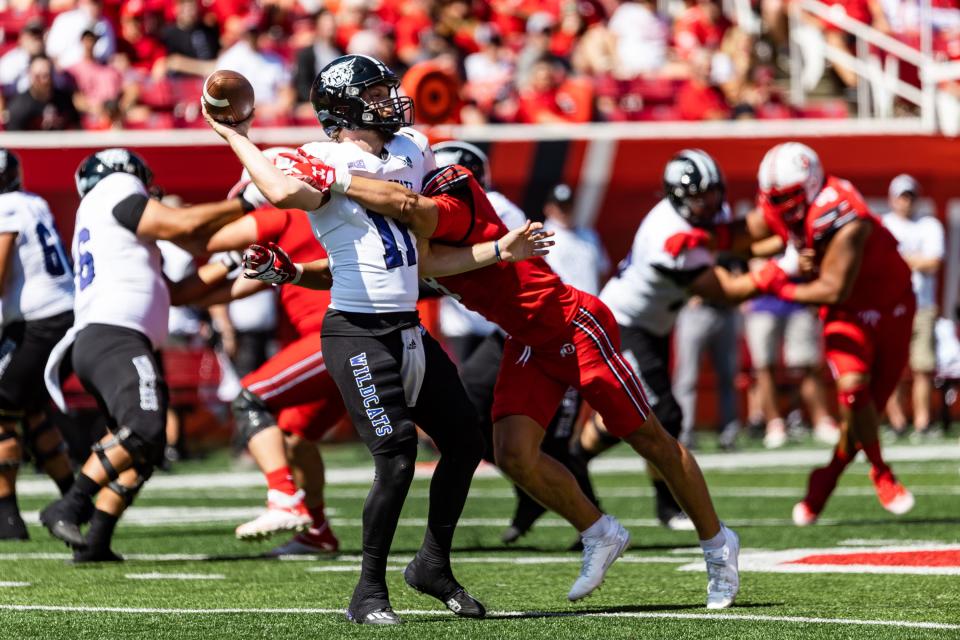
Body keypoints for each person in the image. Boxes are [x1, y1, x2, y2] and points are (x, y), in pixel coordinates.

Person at [277, 148, 742, 610]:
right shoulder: (415, 232)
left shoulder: (450, 192)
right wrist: (293, 271)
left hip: (572, 326)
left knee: (649, 438)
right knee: (513, 453)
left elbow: (412, 208)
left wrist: (332, 176)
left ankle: (718, 546)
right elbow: (375, 268)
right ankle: (599, 532)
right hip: (527, 340)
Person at [205, 54, 549, 624]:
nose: (392, 102)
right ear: (345, 108)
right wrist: (236, 136)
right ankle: (368, 591)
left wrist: (498, 252)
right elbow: (282, 192)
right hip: (357, 333)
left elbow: (420, 248)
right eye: (378, 94)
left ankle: (433, 564)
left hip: (408, 326)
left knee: (465, 443)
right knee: (394, 459)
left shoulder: (411, 148)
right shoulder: (321, 158)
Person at [39, 148, 253, 562]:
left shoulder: (109, 221)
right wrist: (244, 205)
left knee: (146, 447)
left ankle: (96, 543)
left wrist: (229, 260)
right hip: (115, 335)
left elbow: (177, 293)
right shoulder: (115, 188)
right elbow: (182, 223)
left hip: (117, 337)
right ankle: (70, 504)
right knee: (144, 429)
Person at [699, 142, 916, 525]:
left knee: (863, 414)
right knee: (853, 390)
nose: (781, 206)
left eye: (788, 197)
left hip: (890, 306)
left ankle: (825, 479)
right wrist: (701, 237)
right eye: (775, 198)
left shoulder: (843, 211)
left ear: (812, 184)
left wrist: (776, 279)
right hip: (847, 313)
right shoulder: (790, 203)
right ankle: (881, 470)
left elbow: (833, 287)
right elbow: (749, 231)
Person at [429, 141, 600, 546]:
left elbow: (472, 262)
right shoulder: (473, 208)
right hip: (509, 331)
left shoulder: (493, 207)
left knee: (552, 440)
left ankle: (591, 520)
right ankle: (530, 492)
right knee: (468, 412)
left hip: (547, 327)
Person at [201, 149, 343, 553]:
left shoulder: (276, 215)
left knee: (251, 396)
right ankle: (317, 531)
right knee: (295, 437)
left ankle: (282, 496)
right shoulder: (324, 213)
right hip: (359, 335)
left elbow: (203, 240)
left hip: (336, 336)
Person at [0, 149, 76, 540]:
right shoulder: (33, 202)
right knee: (30, 411)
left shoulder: (5, 210)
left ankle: (7, 519)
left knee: (2, 411)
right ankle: (75, 502)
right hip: (65, 314)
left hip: (40, 321)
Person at [881, 174, 945, 439]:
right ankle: (897, 422)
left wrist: (900, 261)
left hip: (922, 305)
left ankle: (922, 421)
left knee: (923, 366)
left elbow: (933, 264)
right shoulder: (883, 224)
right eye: (901, 196)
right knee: (890, 367)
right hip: (890, 305)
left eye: (910, 196)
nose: (905, 202)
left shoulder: (928, 225)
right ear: (891, 198)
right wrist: (914, 261)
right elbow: (880, 265)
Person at [541, 182, 610, 297]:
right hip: (561, 308)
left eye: (568, 206)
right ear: (548, 209)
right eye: (561, 207)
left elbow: (602, 272)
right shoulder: (541, 238)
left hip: (591, 306)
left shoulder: (590, 235)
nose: (565, 212)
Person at [5, 55, 80, 131]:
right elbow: (14, 139)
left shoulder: (65, 100)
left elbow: (75, 129)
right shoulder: (18, 106)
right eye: (37, 76)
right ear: (30, 75)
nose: (42, 80)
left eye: (46, 75)